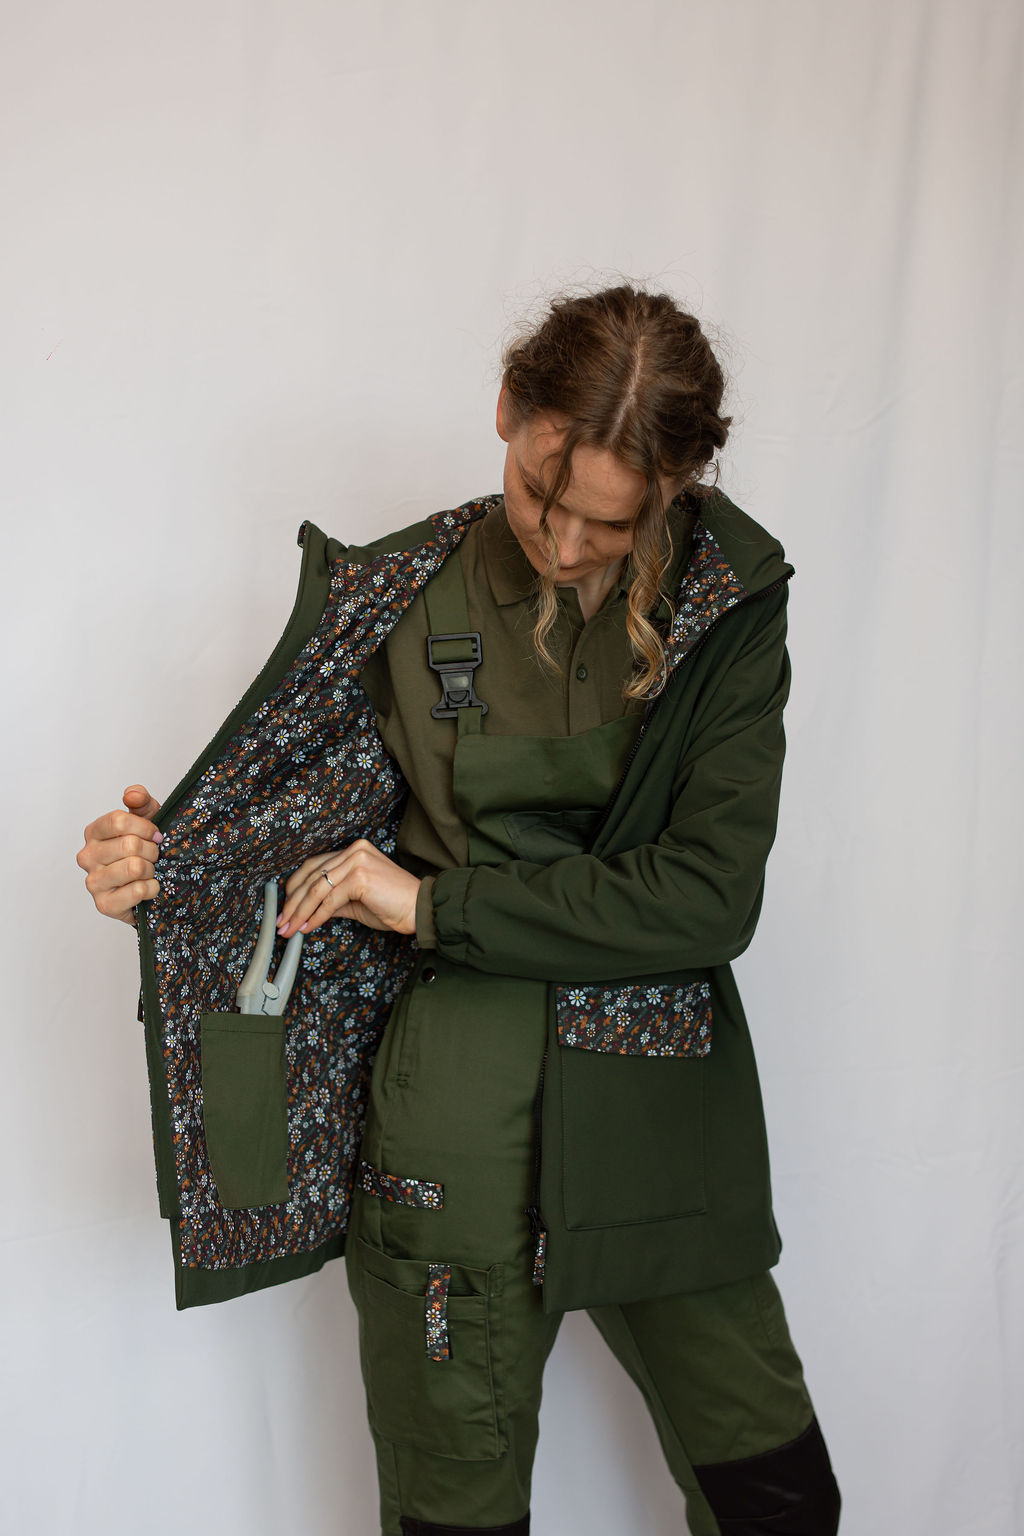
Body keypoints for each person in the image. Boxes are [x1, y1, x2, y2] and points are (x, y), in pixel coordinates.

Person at [77, 285, 841, 1536]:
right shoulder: (396, 593)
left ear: (674, 487)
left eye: (612, 521)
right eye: (542, 495)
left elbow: (708, 897)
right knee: (452, 1514)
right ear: (505, 410)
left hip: (659, 1113)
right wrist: (164, 872)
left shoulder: (731, 602)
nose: (567, 544)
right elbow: (289, 845)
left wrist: (434, 902)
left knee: (778, 1498)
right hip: (452, 1124)